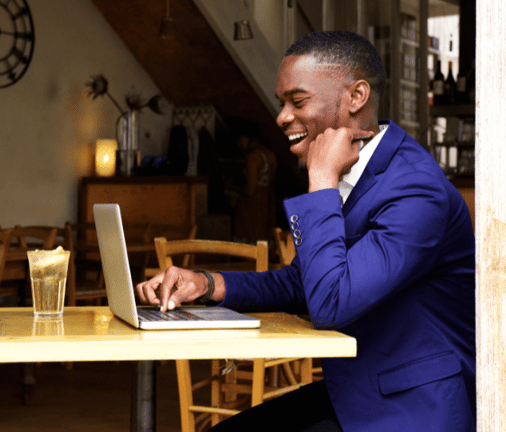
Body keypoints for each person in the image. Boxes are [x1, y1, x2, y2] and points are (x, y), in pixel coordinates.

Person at [136, 31, 475, 432]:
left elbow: (330, 303)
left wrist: (322, 177)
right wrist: (207, 284)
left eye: (297, 101)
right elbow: (303, 283)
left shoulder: (416, 189)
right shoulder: (356, 174)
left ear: (356, 96)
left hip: (409, 409)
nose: (281, 117)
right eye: (282, 103)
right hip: (355, 392)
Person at [230, 119, 277, 244]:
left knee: (249, 250)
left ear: (246, 138)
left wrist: (232, 186)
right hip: (266, 207)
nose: (239, 144)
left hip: (251, 210)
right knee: (264, 248)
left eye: (240, 140)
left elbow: (250, 191)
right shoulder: (271, 155)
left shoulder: (252, 157)